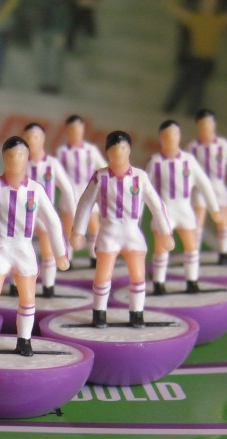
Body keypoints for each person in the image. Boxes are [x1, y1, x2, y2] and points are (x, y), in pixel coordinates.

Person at [0, 137, 69, 356]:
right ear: (4, 158)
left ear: (27, 158)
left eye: (20, 155)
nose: (16, 159)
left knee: (27, 298)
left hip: (24, 249)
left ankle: (24, 340)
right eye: (11, 155)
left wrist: (60, 253)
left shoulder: (36, 189)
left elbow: (53, 222)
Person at [72, 131, 174, 329]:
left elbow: (156, 205)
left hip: (132, 233)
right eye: (115, 150)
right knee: (103, 275)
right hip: (108, 233)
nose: (119, 154)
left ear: (129, 151)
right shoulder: (100, 177)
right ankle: (99, 313)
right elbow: (85, 204)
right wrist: (78, 232)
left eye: (123, 149)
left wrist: (165, 232)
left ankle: (136, 313)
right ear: (108, 152)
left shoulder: (140, 177)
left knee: (138, 276)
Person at [145, 120, 221, 294]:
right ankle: (158, 283)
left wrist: (214, 208)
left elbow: (204, 184)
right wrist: (139, 216)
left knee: (191, 246)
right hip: (164, 212)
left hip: (184, 210)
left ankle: (192, 281)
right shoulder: (155, 162)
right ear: (161, 138)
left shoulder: (189, 160)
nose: (171, 138)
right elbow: (145, 189)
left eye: (174, 134)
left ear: (179, 136)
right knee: (161, 247)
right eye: (167, 135)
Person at [162, 0, 227, 115]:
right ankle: (170, 106)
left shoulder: (218, 21)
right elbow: (177, 12)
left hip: (206, 60)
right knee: (182, 82)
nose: (207, 6)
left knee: (198, 85)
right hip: (193, 57)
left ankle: (190, 110)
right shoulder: (195, 18)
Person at [187, 109, 227, 264]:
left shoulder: (223, 145)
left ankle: (223, 253)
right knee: (197, 222)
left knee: (223, 221)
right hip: (200, 189)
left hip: (218, 186)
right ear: (198, 125)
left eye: (209, 123)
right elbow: (186, 170)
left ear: (214, 124)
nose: (206, 126)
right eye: (203, 124)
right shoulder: (192, 147)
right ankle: (193, 253)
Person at [23, 122, 76, 297]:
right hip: (23, 216)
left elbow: (67, 189)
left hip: (45, 215)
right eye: (28, 137)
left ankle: (48, 287)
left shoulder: (52, 164)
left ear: (43, 139)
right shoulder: (20, 163)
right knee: (20, 250)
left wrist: (74, 214)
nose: (32, 140)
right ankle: (17, 286)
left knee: (49, 252)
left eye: (35, 137)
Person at [55, 114, 106, 264]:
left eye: (78, 129)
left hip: (88, 192)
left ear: (83, 130)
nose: (76, 133)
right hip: (69, 194)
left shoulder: (91, 150)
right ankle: (68, 258)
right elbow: (56, 173)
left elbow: (103, 167)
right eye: (72, 130)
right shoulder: (62, 152)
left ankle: (94, 256)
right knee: (68, 227)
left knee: (94, 225)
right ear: (67, 130)